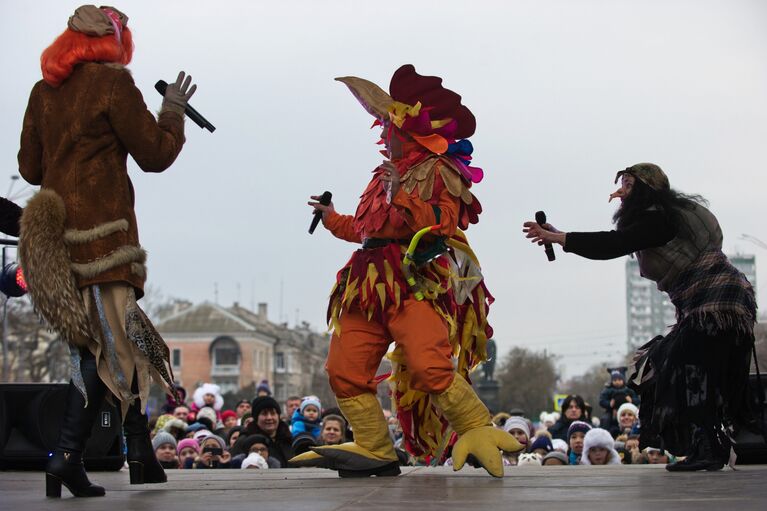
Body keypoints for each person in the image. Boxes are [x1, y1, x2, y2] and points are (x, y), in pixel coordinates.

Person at [294, 64, 519, 478]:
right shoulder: (382, 176)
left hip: (411, 282)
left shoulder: (439, 170)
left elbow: (445, 222)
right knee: (344, 368)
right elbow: (366, 231)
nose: (383, 132)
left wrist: (404, 197)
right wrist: (330, 217)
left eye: (389, 125)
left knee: (428, 363)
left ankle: (475, 429)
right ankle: (375, 446)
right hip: (364, 284)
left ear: (407, 130)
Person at [17, 5, 197, 498]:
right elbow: (156, 154)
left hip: (56, 246)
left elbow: (29, 169)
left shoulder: (42, 92)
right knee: (116, 349)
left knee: (99, 345)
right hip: (105, 241)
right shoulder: (114, 84)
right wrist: (173, 111)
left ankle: (136, 451)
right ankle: (68, 456)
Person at [523, 163, 757, 471]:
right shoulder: (662, 216)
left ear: (646, 189)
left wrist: (562, 239)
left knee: (683, 369)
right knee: (694, 370)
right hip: (720, 300)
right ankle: (709, 446)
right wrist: (561, 237)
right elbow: (619, 240)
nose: (621, 191)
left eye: (629, 185)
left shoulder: (659, 218)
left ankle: (709, 448)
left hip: (715, 301)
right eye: (621, 184)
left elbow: (614, 243)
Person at [235, 396, 293, 468]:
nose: (269, 418)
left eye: (273, 413)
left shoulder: (288, 439)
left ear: (278, 416)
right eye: (264, 413)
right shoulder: (244, 440)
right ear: (256, 417)